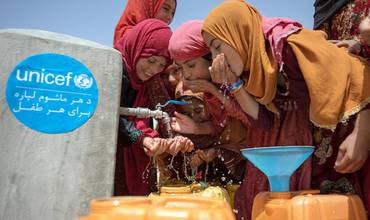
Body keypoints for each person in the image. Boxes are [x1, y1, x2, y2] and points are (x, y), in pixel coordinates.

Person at [201, 1, 370, 219]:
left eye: (217, 46)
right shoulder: (254, 69)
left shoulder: (290, 47)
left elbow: (360, 73)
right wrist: (233, 83)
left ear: (238, 34)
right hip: (324, 152)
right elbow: (264, 121)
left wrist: (362, 133)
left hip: (353, 134)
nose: (215, 58)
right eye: (211, 51)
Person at [168, 20, 274, 185]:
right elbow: (221, 126)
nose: (186, 75)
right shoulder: (204, 88)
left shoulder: (237, 75)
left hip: (264, 157)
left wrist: (214, 90)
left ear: (210, 57)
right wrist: (197, 129)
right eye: (181, 68)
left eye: (190, 65)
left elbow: (250, 120)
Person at [114, 19, 194, 196]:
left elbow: (148, 117)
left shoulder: (146, 82)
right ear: (137, 48)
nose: (154, 70)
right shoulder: (114, 69)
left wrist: (171, 140)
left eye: (161, 65)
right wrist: (141, 138)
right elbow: (110, 116)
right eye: (151, 60)